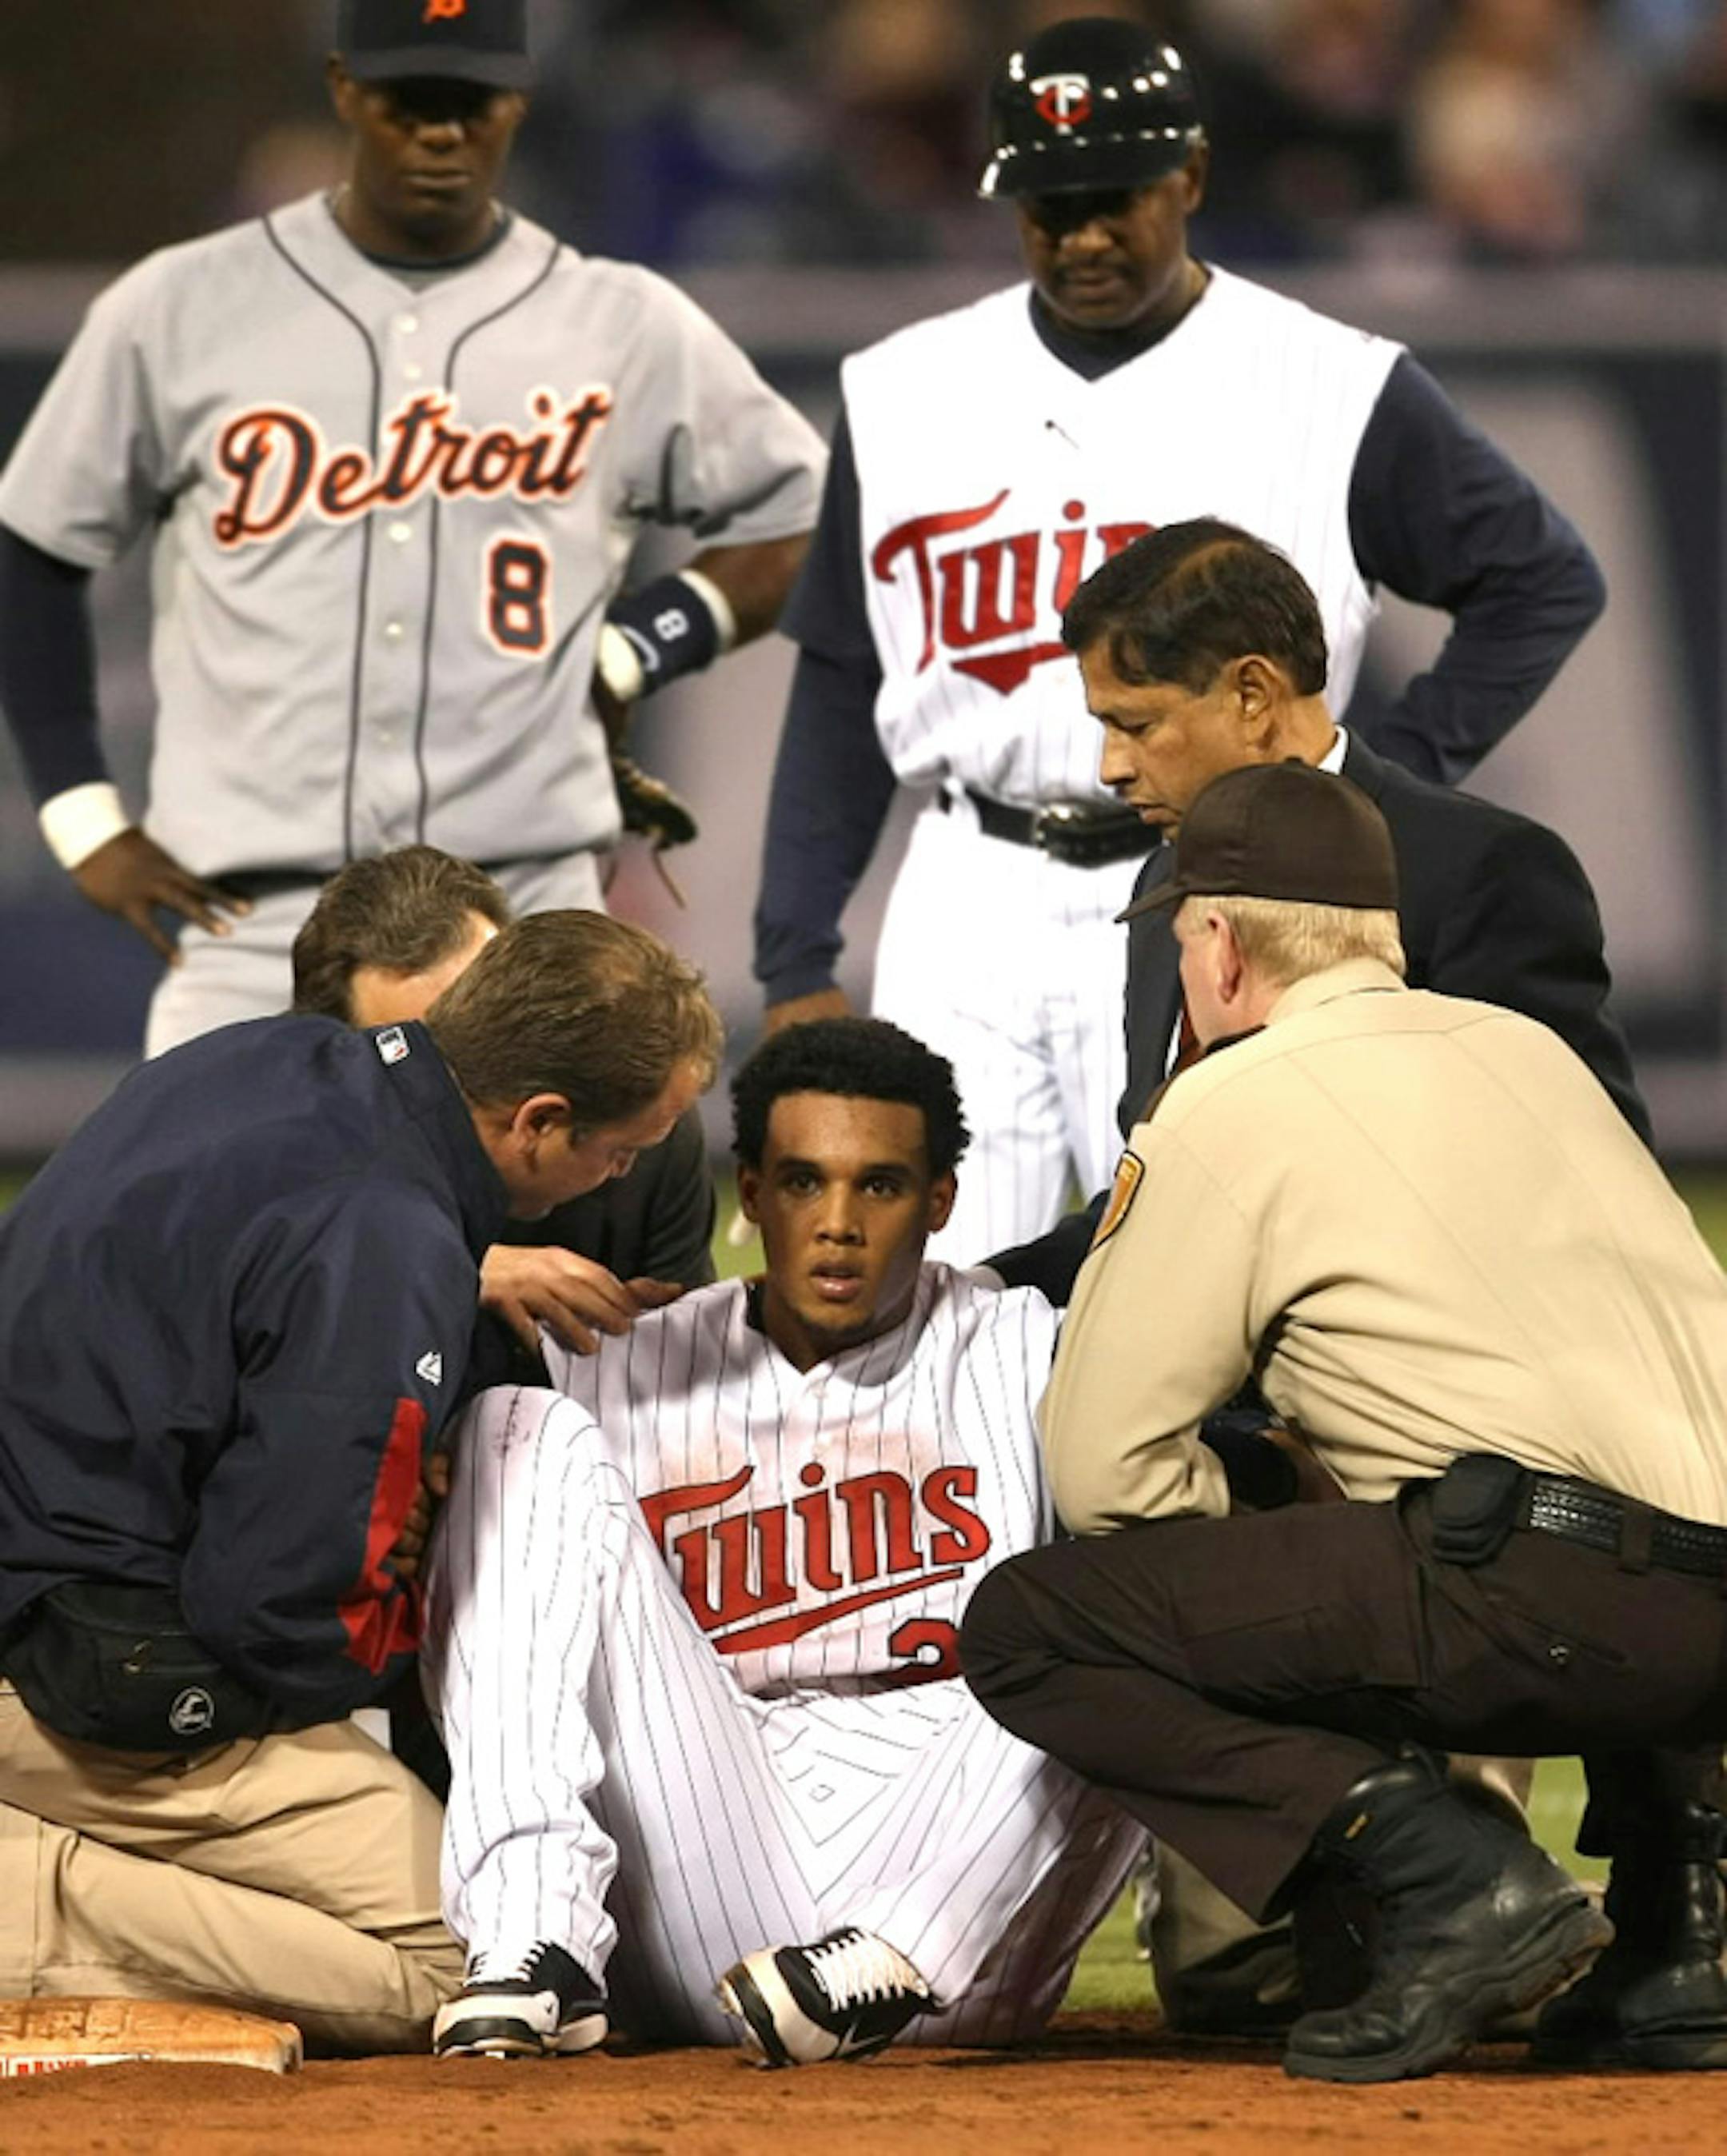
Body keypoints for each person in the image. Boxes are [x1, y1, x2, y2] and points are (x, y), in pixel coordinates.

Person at [751, 14, 1604, 1264]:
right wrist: (794, 953)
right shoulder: (900, 390)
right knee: (930, 1296)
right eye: (1050, 205)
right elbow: (842, 673)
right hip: (965, 889)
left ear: (1190, 176)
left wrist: (1367, 785)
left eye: (1116, 198)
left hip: (1226, 887)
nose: (1084, 233)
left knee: (1209, 1280)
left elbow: (1540, 578)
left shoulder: (1333, 382)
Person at [959, 762, 1727, 2084]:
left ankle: (1458, 1878)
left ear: (1219, 945)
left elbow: (1107, 1477)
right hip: (1709, 1635)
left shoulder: (1226, 1101)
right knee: (1600, 1501)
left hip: (1538, 1604)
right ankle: (1681, 1939)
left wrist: (1282, 1520)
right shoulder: (1529, 1053)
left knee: (1033, 1626)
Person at [0, 0, 824, 1058]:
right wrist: (79, 813)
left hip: (524, 927)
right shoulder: (181, 308)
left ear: (517, 106)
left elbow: (804, 515)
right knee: (228, 1226)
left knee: (537, 1231)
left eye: (470, 103)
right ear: (346, 93)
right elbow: (35, 548)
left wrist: (645, 641)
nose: (441, 133)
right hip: (257, 928)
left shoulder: (618, 321)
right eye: (408, 102)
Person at [0, 910, 720, 2052]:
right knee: (468, 1948)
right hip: (73, 1670)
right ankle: (23, 1896)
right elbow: (279, 1609)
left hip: (48, 1561)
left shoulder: (257, 1054)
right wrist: (441, 1648)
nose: (622, 1174)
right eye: (620, 1149)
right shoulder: (388, 1235)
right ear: (539, 1124)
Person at [421, 1018, 1143, 2063]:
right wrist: (460, 1283)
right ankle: (534, 1940)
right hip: (713, 1840)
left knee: (1137, 1562)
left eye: (881, 1187)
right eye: (804, 1183)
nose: (839, 1225)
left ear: (942, 1200)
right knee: (507, 1426)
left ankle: (886, 1959)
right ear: (750, 1195)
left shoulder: (1031, 1346)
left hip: (955, 1900)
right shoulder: (620, 1355)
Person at [990, 517, 1646, 1308]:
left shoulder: (1477, 870)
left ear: (1253, 694)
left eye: (1136, 724)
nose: (1111, 768)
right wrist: (986, 1286)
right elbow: (1161, 1200)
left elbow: (1590, 1180)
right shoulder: (1167, 880)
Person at [289, 844, 716, 1362]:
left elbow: (683, 1384)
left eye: (489, 1008)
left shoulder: (637, 1126)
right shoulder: (279, 1149)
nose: (478, 1065)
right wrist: (453, 1268)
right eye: (417, 1058)